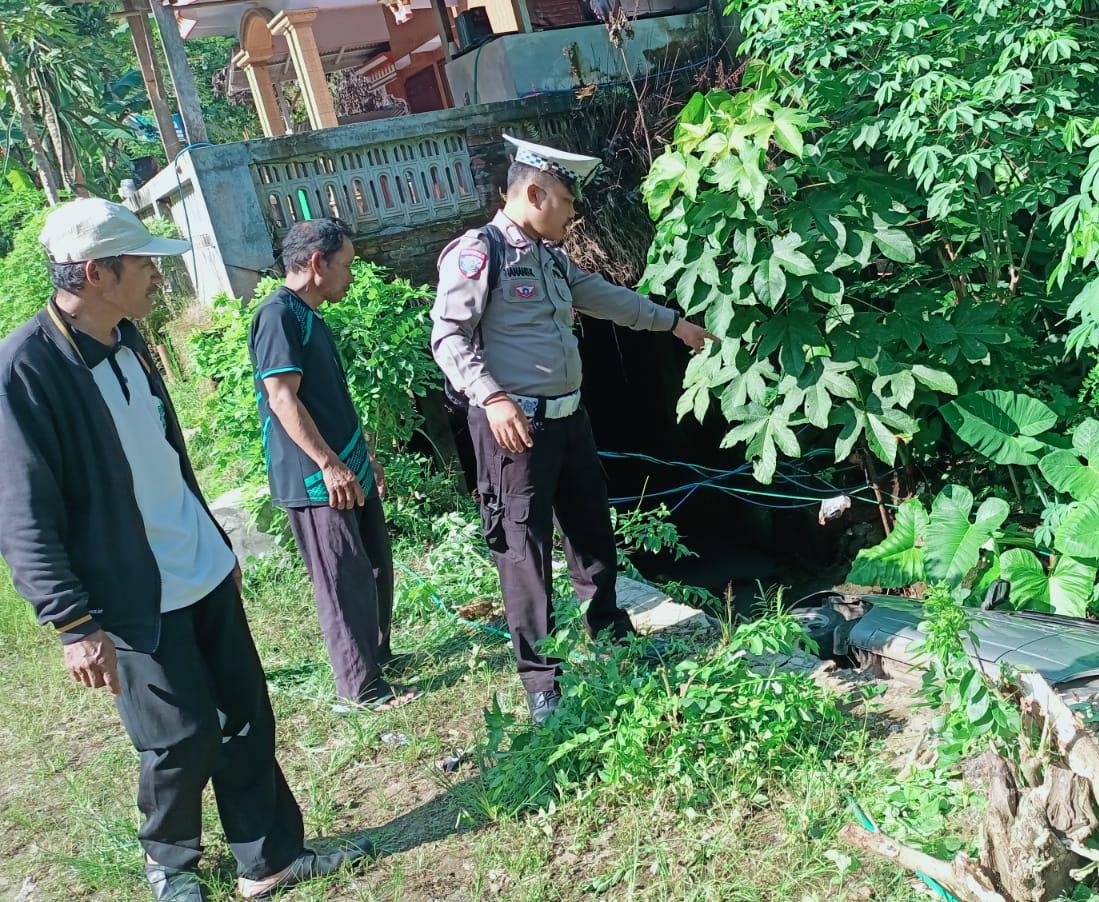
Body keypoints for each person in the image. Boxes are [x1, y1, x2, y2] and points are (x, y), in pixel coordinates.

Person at [0, 198, 370, 901]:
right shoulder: (25, 370)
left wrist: (214, 540)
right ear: (94, 272)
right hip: (128, 590)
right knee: (178, 737)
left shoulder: (130, 338)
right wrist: (74, 623)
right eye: (141, 264)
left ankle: (269, 859)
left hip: (196, 562)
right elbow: (21, 511)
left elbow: (165, 454)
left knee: (243, 714)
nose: (155, 277)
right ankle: (171, 867)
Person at [430, 136, 716, 723]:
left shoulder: (549, 258)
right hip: (515, 431)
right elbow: (448, 336)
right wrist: (492, 397)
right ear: (533, 193)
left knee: (591, 533)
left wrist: (673, 325)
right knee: (524, 554)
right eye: (564, 198)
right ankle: (541, 682)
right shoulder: (477, 255)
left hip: (568, 421)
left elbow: (606, 298)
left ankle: (610, 636)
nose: (571, 211)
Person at [250, 218, 418, 713]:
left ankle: (376, 656)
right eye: (346, 265)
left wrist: (364, 455)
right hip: (315, 476)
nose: (351, 274)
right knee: (341, 577)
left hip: (347, 467)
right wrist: (328, 464)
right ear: (317, 263)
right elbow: (282, 398)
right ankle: (359, 688)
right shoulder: (277, 315)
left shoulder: (310, 315)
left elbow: (330, 399)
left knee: (372, 565)